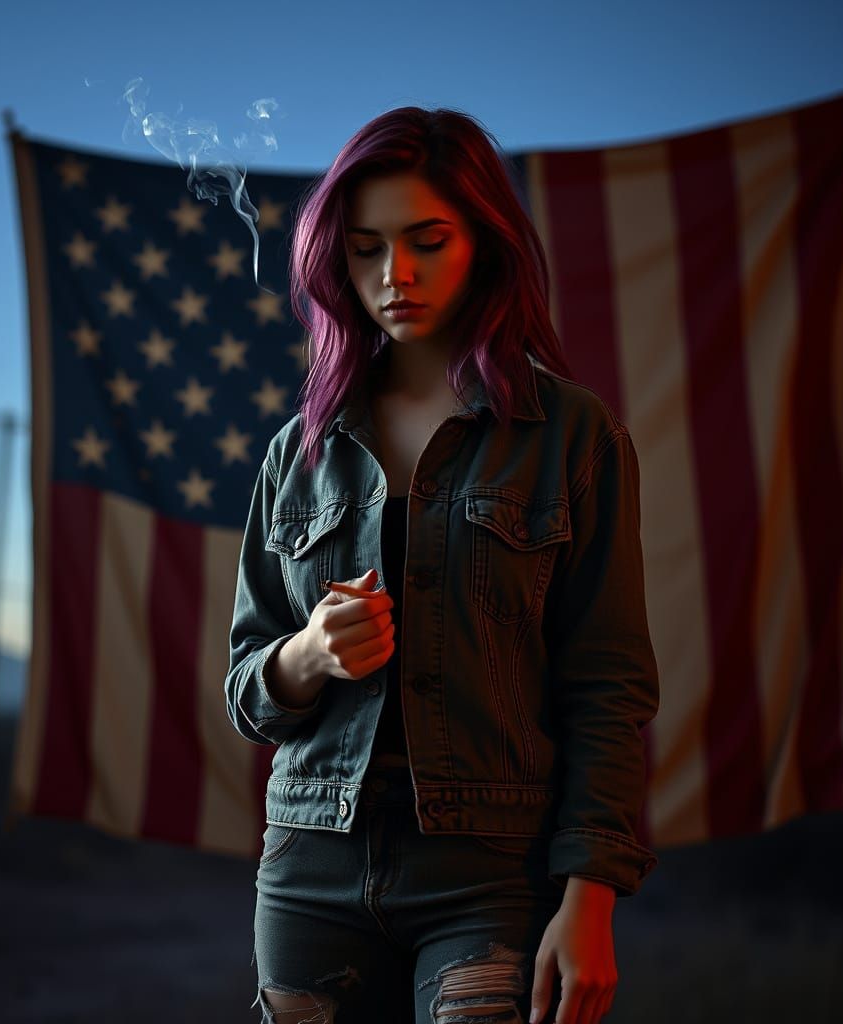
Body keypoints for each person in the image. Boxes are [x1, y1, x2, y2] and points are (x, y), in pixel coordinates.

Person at [224, 105, 660, 1024]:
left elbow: (608, 684)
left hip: (490, 871)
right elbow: (248, 690)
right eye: (366, 249)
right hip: (310, 863)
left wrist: (592, 897)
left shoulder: (572, 438)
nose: (396, 276)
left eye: (427, 241)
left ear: (487, 243)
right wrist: (308, 653)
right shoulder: (294, 453)